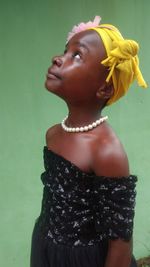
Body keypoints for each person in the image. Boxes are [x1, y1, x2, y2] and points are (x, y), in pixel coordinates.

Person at [30, 16, 147, 267]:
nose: (58, 58)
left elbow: (121, 242)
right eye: (66, 51)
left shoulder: (106, 151)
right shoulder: (53, 135)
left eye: (77, 56)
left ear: (104, 89)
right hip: (46, 247)